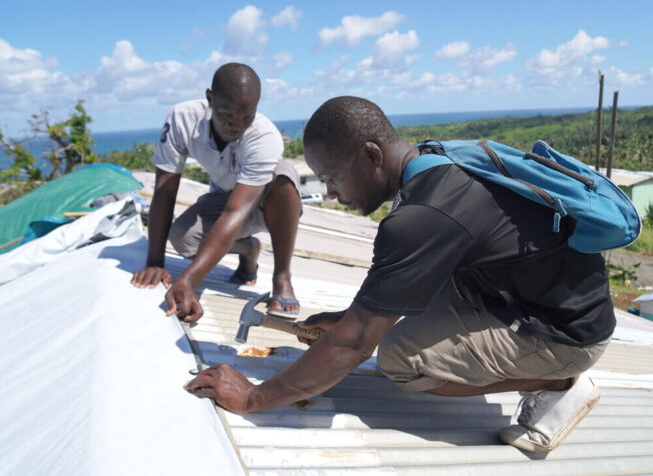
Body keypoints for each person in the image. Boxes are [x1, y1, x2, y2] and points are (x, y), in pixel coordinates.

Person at [184, 96, 615, 453]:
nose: (331, 194)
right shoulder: (434, 159)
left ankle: (558, 379)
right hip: (519, 294)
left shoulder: (422, 214)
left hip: (564, 332)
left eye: (333, 178)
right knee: (363, 327)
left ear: (372, 156)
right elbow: (400, 287)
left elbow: (353, 346)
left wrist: (254, 397)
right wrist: (346, 320)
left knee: (398, 360)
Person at [131, 63, 302, 320]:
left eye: (247, 117)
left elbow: (236, 212)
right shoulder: (182, 119)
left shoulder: (265, 137)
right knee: (182, 239)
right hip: (225, 199)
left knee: (284, 177)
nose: (237, 125)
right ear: (210, 99)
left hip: (265, 206)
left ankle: (282, 275)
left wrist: (189, 281)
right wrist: (156, 261)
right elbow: (165, 192)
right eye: (227, 115)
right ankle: (246, 249)